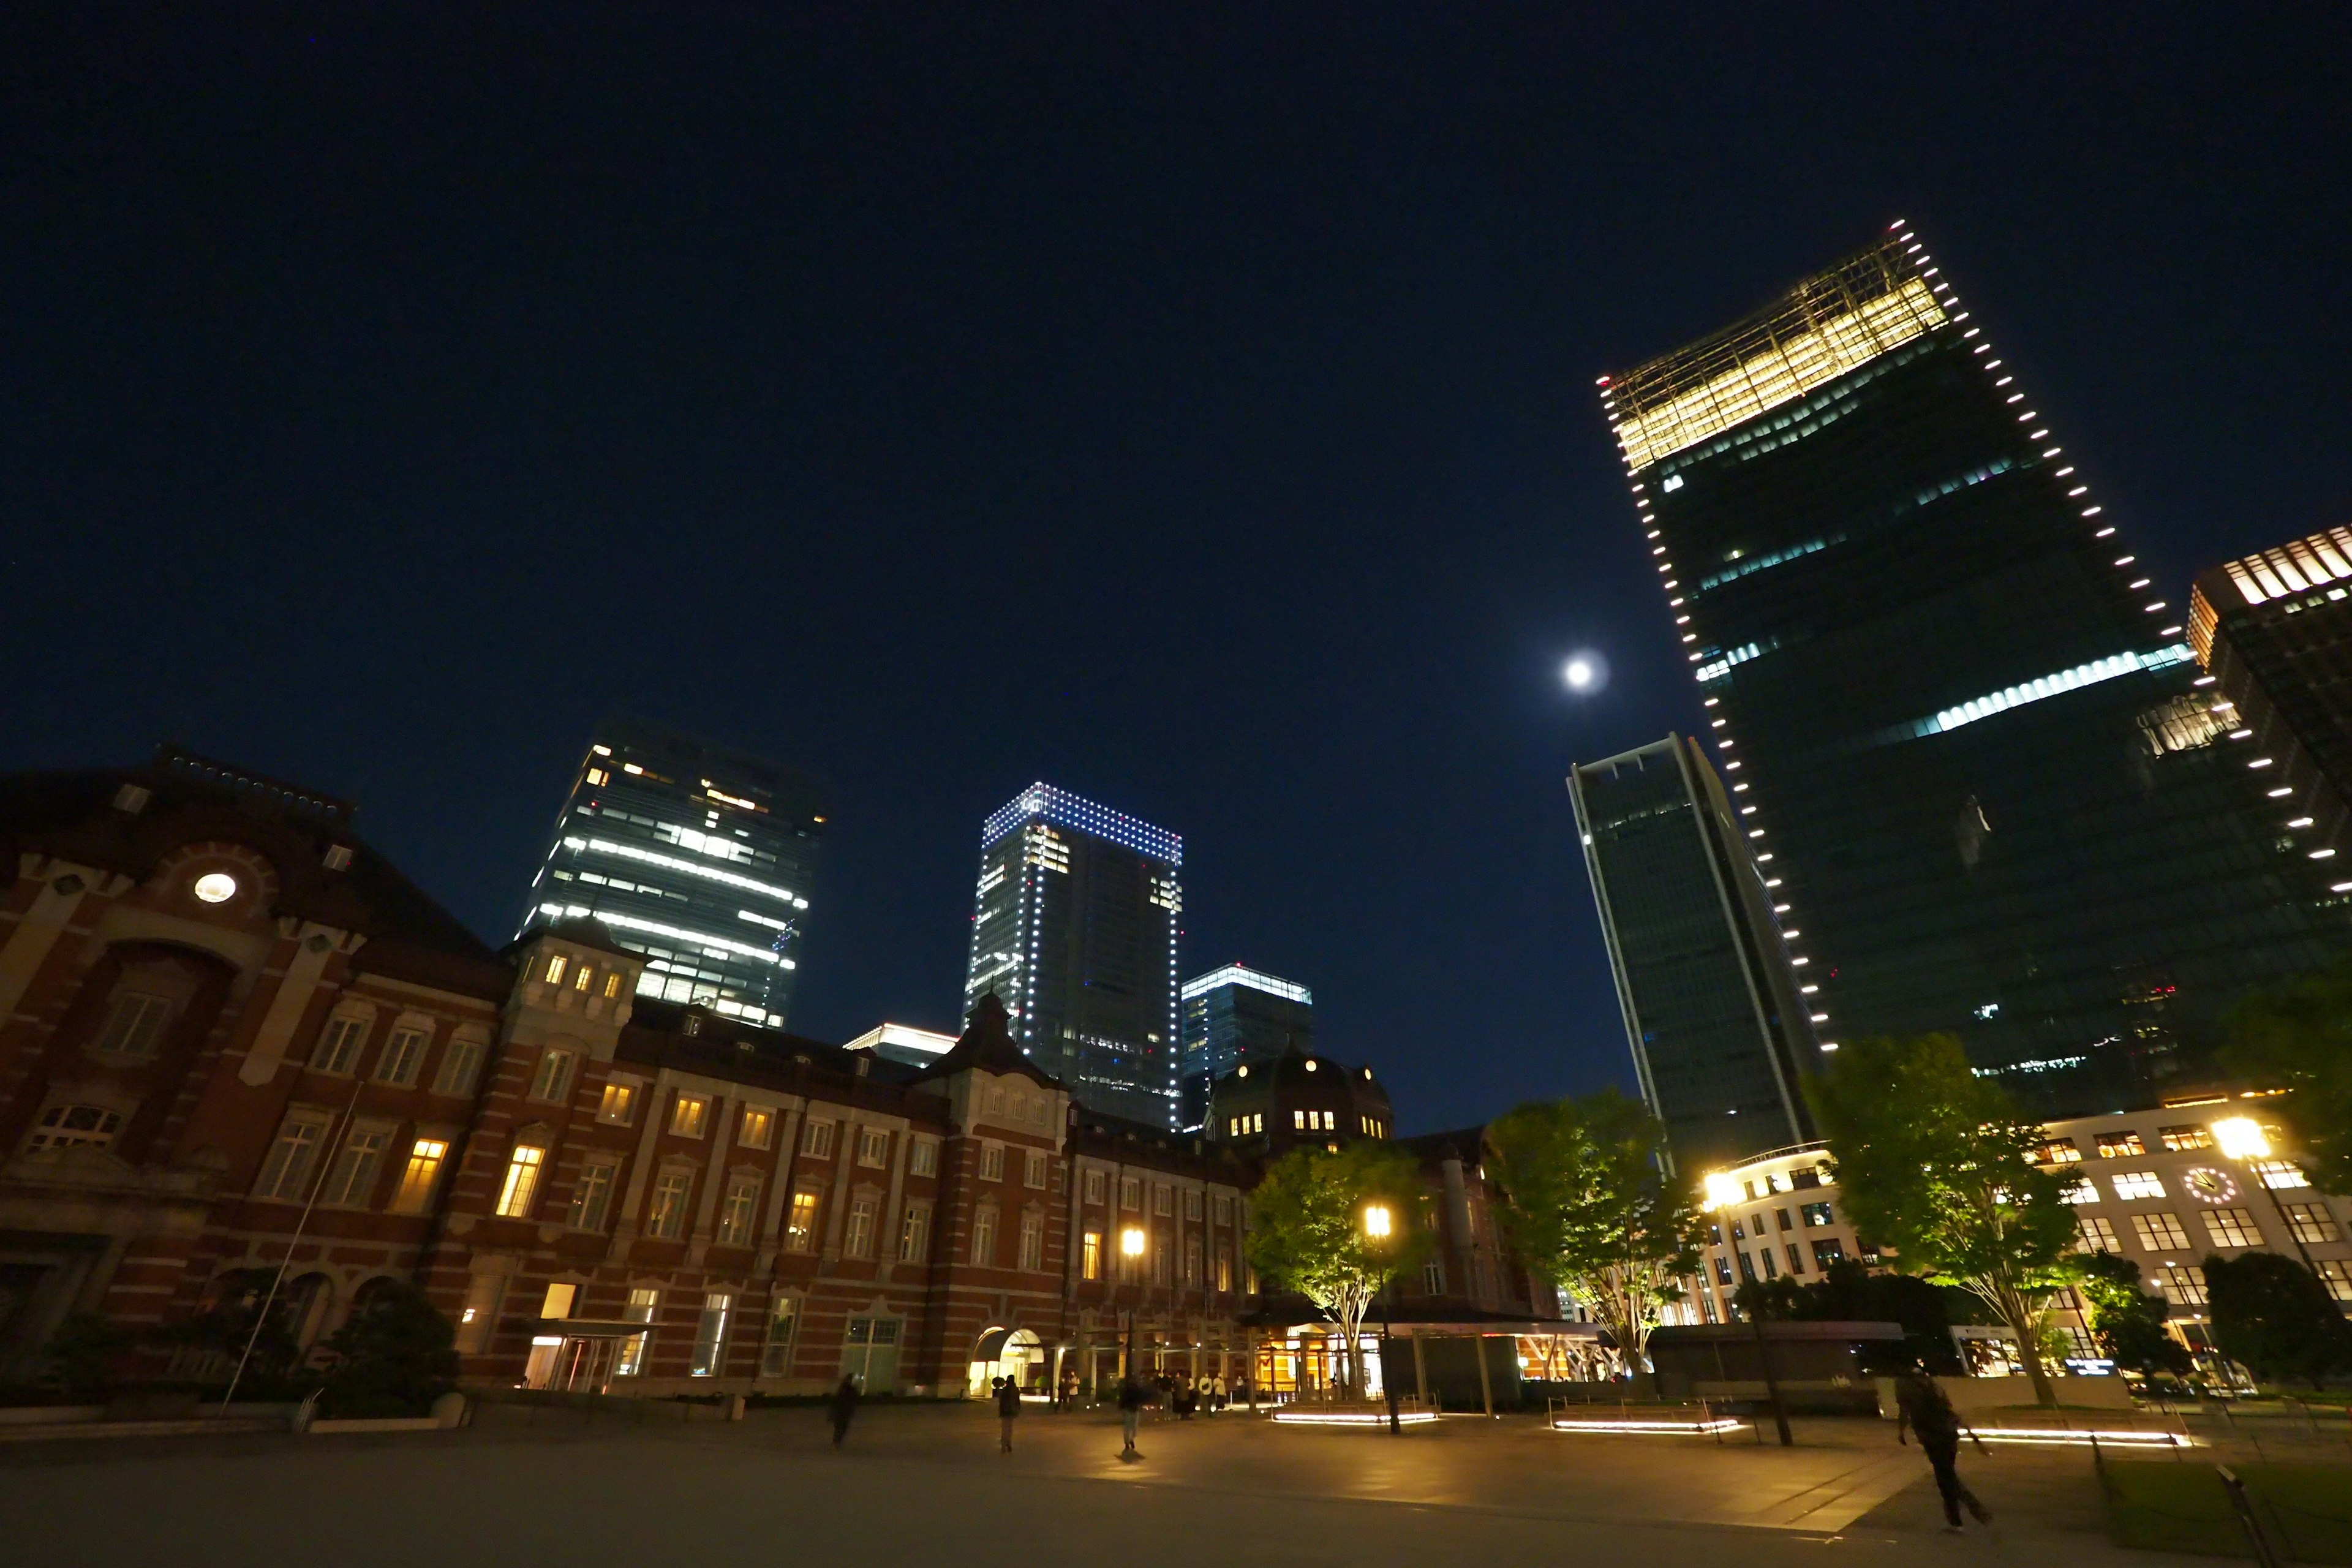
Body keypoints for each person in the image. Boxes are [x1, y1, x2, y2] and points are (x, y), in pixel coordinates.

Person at [1895, 1368, 1991, 1532]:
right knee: (1946, 1475)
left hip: (1932, 1437)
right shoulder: (1933, 1386)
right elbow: (1949, 1410)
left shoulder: (1905, 1386)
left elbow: (1905, 1411)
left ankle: (1971, 1509)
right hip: (1949, 1434)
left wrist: (1901, 1431)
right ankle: (1956, 1521)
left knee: (1946, 1477)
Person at [1117, 1373, 1148, 1461]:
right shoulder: (1137, 1389)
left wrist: (1121, 1408)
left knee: (1128, 1427)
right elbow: (1142, 1398)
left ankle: (1128, 1442)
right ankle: (1130, 1440)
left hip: (1128, 1409)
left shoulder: (1126, 1389)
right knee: (1134, 1427)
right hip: (1134, 1409)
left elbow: (1122, 1399)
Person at [828, 1374, 860, 1449]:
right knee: (840, 1428)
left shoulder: (847, 1389)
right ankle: (836, 1442)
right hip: (842, 1412)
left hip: (845, 1412)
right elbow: (839, 1401)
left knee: (841, 1428)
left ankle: (836, 1442)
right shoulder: (846, 1389)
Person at [996, 1374, 1022, 1453]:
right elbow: (1017, 1401)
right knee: (1010, 1428)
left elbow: (1002, 1401)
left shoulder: (1005, 1390)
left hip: (1005, 1411)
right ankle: (1009, 1443)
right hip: (1012, 1411)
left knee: (1005, 1428)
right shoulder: (1016, 1389)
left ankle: (1004, 1445)